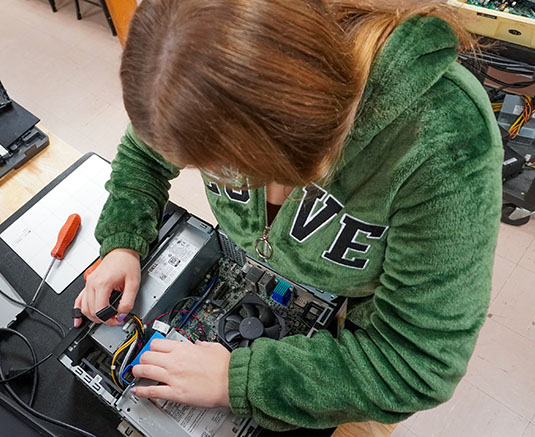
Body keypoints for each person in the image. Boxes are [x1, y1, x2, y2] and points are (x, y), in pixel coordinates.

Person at [75, 0, 502, 434]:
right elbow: (144, 154)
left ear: (297, 133)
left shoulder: (443, 138)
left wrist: (239, 380)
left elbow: (414, 364)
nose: (216, 177)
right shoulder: (191, 70)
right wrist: (123, 241)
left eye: (228, 167)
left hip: (355, 345)